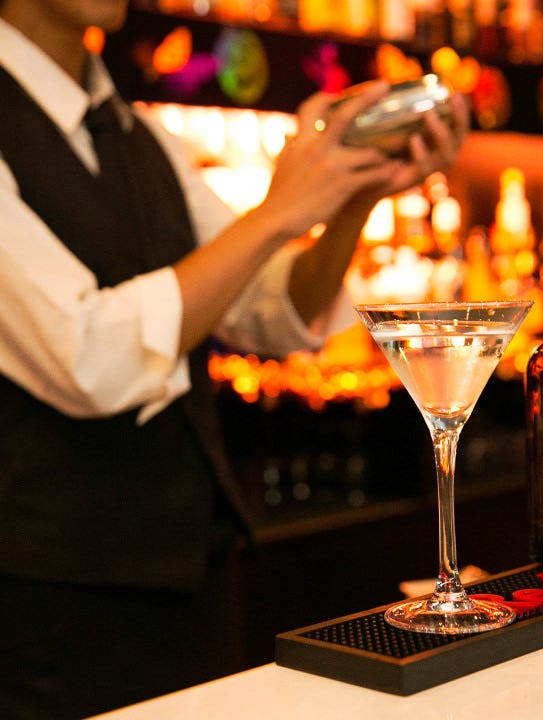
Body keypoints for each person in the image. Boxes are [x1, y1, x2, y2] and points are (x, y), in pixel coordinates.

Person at [0, 0, 468, 718]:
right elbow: (85, 353)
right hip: (48, 602)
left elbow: (270, 309)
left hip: (197, 570)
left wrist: (353, 199)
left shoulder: (140, 135)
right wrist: (280, 211)